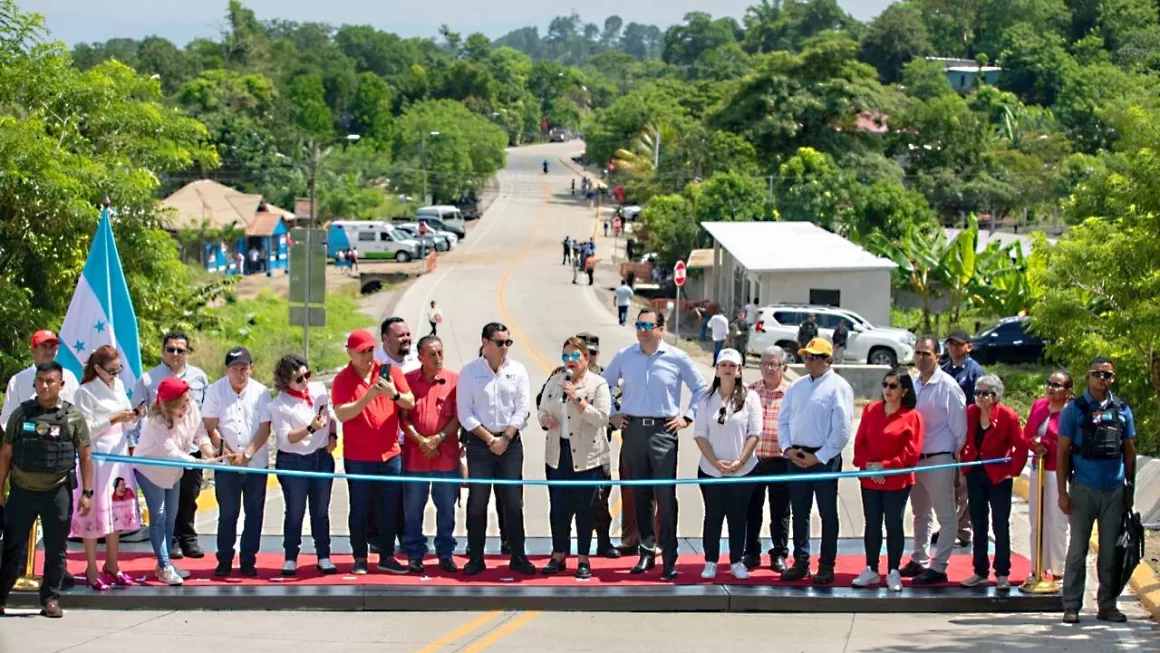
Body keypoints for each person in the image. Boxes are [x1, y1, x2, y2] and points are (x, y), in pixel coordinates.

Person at [604, 309, 709, 580]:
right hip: (633, 430)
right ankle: (646, 551)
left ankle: (669, 556)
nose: (642, 330)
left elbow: (700, 387)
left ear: (661, 329)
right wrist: (613, 413)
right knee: (640, 495)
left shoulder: (676, 357)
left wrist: (687, 417)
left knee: (664, 496)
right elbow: (603, 383)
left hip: (664, 432)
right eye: (638, 325)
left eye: (648, 325)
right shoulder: (625, 355)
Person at [0, 362, 92, 618]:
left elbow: (85, 455)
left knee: (56, 549)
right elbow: (6, 453)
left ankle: (50, 599)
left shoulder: (73, 417)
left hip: (57, 492)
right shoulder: (21, 414)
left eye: (50, 381)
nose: (44, 386)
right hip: (22, 491)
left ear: (61, 385)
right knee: (11, 547)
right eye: (40, 381)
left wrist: (87, 493)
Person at [1058, 357, 1136, 624]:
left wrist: (1130, 488)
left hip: (1114, 489)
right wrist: (1062, 492)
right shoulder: (1074, 410)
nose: (1102, 379)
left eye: (1107, 375)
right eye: (1097, 374)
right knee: (1078, 549)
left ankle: (1107, 605)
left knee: (1110, 552)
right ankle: (1071, 605)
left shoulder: (1123, 409)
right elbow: (1062, 452)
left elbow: (1129, 451)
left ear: (1113, 378)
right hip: (1083, 489)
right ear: (1088, 376)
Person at [332, 329, 415, 575]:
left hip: (390, 454)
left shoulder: (389, 372)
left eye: (371, 350)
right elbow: (342, 413)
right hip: (359, 457)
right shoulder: (343, 379)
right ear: (350, 353)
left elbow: (410, 401)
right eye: (362, 352)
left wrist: (394, 394)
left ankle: (386, 555)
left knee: (390, 508)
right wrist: (368, 398)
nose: (368, 356)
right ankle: (359, 556)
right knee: (360, 507)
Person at [458, 323, 536, 576]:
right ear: (485, 342)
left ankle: (518, 555)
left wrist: (505, 438)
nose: (505, 348)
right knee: (478, 502)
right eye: (500, 343)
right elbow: (464, 413)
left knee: (513, 503)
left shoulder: (518, 371)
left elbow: (522, 409)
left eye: (508, 343)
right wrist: (490, 439)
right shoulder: (469, 372)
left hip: (510, 443)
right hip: (480, 444)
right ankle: (476, 557)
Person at [777, 338, 854, 585]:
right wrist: (788, 449)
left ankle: (826, 564)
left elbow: (841, 431)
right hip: (796, 456)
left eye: (813, 357)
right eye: (806, 356)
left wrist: (818, 457)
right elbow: (784, 420)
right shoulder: (796, 386)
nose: (808, 361)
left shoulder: (839, 387)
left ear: (826, 360)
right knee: (799, 512)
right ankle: (801, 562)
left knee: (827, 513)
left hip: (824, 459)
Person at [130, 330, 210, 561]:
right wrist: (133, 447)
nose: (175, 354)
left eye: (180, 350)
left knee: (188, 496)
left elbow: (200, 422)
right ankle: (167, 548)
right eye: (171, 349)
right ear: (162, 351)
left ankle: (187, 537)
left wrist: (207, 448)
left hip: (188, 451)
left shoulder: (199, 378)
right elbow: (136, 415)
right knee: (161, 511)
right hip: (160, 456)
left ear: (187, 352)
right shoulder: (148, 380)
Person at [537, 336, 613, 579]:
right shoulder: (555, 381)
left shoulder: (598, 384)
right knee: (558, 507)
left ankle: (582, 558)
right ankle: (558, 554)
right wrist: (544, 419)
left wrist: (577, 399)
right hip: (558, 454)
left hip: (587, 456)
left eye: (575, 356)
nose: (570, 361)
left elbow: (602, 418)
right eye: (565, 356)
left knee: (585, 508)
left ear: (586, 358)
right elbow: (541, 408)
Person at [132, 377, 217, 586]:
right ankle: (164, 564)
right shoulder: (155, 422)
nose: (187, 405)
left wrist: (208, 450)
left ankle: (165, 564)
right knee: (159, 517)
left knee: (171, 517)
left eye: (187, 400)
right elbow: (170, 451)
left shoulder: (191, 408)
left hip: (173, 473)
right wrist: (198, 461)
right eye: (182, 403)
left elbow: (199, 433)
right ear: (169, 405)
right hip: (151, 471)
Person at [70, 346, 142, 590]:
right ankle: (91, 566)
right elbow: (84, 430)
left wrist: (132, 416)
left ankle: (113, 563)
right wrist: (113, 419)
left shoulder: (119, 386)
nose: (116, 374)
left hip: (119, 454)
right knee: (94, 511)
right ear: (98, 368)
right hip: (97, 458)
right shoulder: (85, 392)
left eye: (118, 369)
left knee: (116, 510)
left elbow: (125, 423)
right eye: (111, 370)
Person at [900, 335, 967, 585]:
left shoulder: (948, 386)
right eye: (917, 353)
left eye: (926, 353)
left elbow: (960, 429)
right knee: (920, 513)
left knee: (946, 517)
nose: (920, 358)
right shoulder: (913, 384)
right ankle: (920, 559)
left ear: (937, 356)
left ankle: (939, 566)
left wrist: (952, 458)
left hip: (940, 460)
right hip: (916, 460)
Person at [202, 346, 272, 578]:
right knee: (228, 513)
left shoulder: (262, 393)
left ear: (251, 369)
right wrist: (230, 453)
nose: (239, 373)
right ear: (226, 369)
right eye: (234, 369)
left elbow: (265, 427)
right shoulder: (214, 391)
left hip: (256, 463)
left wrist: (248, 454)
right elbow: (211, 425)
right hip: (227, 464)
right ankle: (224, 559)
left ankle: (248, 559)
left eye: (244, 368)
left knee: (254, 513)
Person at [852, 369, 923, 592]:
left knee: (893, 523)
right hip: (870, 478)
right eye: (885, 385)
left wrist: (885, 467)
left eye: (893, 386)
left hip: (897, 481)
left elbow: (911, 453)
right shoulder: (871, 410)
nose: (887, 390)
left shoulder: (912, 416)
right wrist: (870, 467)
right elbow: (859, 443)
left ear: (904, 390)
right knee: (872, 523)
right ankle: (871, 568)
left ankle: (893, 571)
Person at [267, 354, 337, 576]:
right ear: (285, 380)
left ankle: (324, 555)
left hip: (321, 458)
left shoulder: (318, 390)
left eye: (307, 375)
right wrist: (311, 428)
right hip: (294, 461)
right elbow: (286, 438)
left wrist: (333, 435)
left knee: (321, 510)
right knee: (295, 511)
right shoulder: (279, 404)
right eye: (298, 379)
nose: (305, 381)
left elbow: (331, 414)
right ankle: (290, 557)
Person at [693, 349, 760, 580]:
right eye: (723, 365)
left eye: (733, 365)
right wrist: (715, 462)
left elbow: (754, 433)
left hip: (743, 471)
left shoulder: (751, 397)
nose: (728, 369)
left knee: (737, 517)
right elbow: (700, 434)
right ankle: (710, 561)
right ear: (717, 369)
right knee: (713, 516)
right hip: (711, 470)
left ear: (739, 370)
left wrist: (740, 461)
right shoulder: (706, 398)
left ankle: (736, 561)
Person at [959, 375, 1028, 591]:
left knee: (1000, 525)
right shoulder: (971, 412)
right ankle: (980, 571)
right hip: (975, 473)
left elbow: (1021, 447)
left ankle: (1002, 573)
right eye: (977, 392)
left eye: (984, 393)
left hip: (998, 476)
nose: (979, 397)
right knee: (978, 523)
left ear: (995, 396)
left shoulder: (1008, 416)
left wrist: (1012, 472)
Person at [400, 335, 461, 574]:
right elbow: (403, 418)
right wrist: (421, 440)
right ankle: (415, 553)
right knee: (413, 509)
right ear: (420, 356)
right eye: (432, 354)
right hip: (416, 457)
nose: (438, 358)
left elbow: (458, 417)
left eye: (440, 353)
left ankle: (445, 552)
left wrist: (438, 438)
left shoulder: (454, 381)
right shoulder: (408, 381)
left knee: (446, 508)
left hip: (445, 456)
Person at [744, 346, 792, 573]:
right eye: (766, 364)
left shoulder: (792, 393)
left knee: (780, 512)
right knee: (751, 509)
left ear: (784, 367)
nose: (770, 368)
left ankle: (779, 553)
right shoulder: (750, 392)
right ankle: (751, 553)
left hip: (780, 460)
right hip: (753, 460)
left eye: (775, 364)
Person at [1022, 370, 1073, 585]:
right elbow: (1026, 433)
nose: (1051, 388)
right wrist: (1034, 443)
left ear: (1068, 390)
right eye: (1049, 383)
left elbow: (1069, 441)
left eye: (1057, 385)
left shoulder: (1071, 412)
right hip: (1038, 467)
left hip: (1058, 470)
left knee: (1056, 521)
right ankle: (1037, 568)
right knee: (1037, 519)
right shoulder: (1039, 406)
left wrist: (1048, 445)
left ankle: (1059, 569)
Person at [374, 317, 420, 552]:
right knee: (382, 494)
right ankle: (379, 540)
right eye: (400, 336)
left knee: (409, 494)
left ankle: (407, 537)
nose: (406, 339)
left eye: (408, 335)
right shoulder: (374, 364)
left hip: (413, 439)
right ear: (385, 339)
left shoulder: (415, 362)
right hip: (384, 441)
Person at [942, 328, 985, 550]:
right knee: (947, 485)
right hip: (945, 435)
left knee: (964, 485)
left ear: (968, 346)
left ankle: (963, 529)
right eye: (951, 344)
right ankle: (949, 525)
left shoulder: (975, 372)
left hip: (968, 435)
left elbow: (982, 404)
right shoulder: (944, 370)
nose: (954, 348)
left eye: (959, 344)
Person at [2, 330, 80, 427]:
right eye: (44, 346)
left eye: (52, 347)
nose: (49, 351)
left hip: (62, 438)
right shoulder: (18, 381)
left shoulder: (69, 377)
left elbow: (78, 412)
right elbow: (7, 419)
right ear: (33, 349)